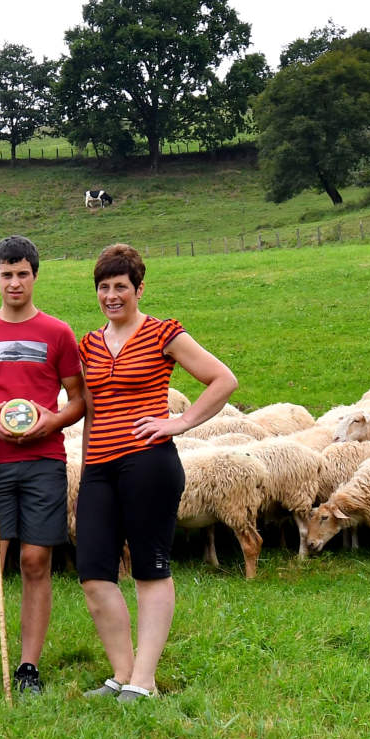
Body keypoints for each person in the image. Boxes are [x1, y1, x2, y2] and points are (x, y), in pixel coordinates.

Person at [75, 243, 237, 702]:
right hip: (98, 467)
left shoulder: (163, 333)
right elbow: (85, 408)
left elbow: (223, 380)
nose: (111, 295)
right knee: (93, 573)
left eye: (120, 287)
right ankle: (122, 674)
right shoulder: (87, 343)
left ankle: (144, 680)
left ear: (138, 288)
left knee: (149, 569)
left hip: (149, 463)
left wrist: (180, 422)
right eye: (104, 287)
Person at [0, 235, 84, 697]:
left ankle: (28, 667)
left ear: (35, 276)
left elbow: (78, 399)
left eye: (23, 273)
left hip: (44, 461)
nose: (15, 282)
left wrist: (53, 420)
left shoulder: (58, 333)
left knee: (35, 560)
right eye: (7, 274)